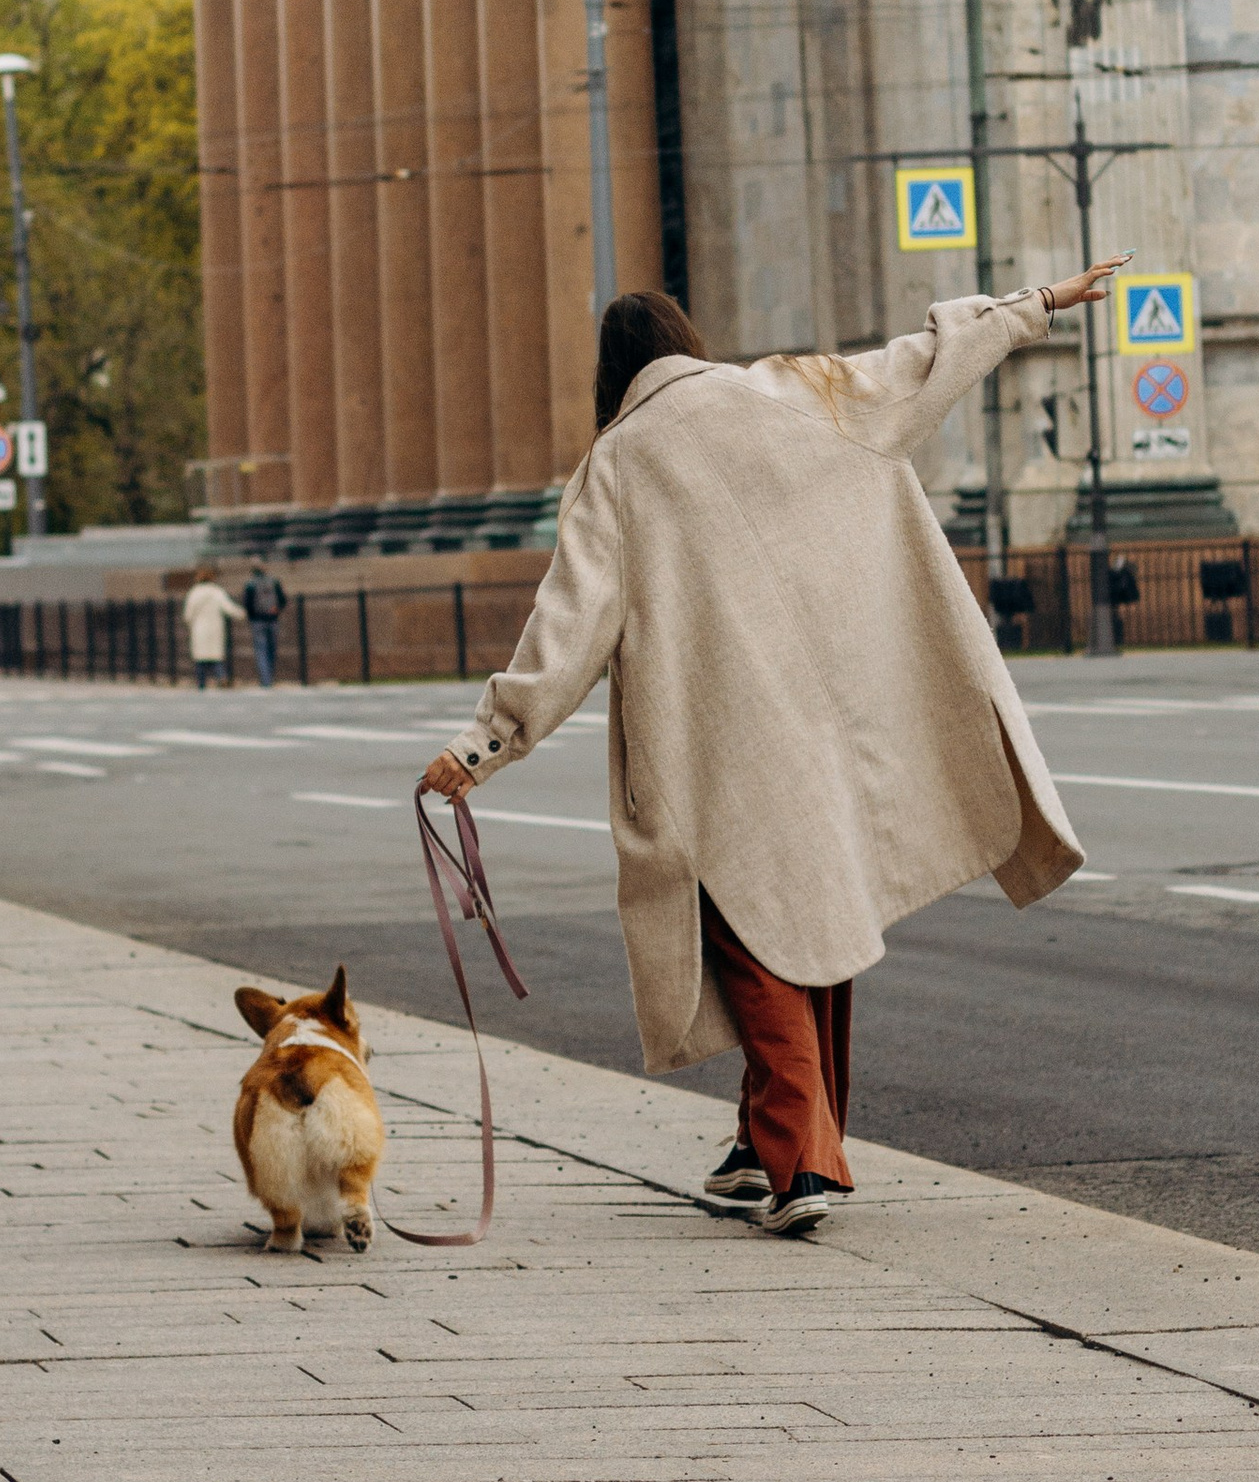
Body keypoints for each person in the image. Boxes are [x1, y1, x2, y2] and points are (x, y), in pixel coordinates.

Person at [420, 261, 1127, 1241]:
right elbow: (920, 364)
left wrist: (483, 744)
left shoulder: (619, 463)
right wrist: (1035, 305)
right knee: (812, 935)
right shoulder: (791, 392)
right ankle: (766, 1145)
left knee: (750, 946)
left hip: (711, 756)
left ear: (612, 375)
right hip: (823, 736)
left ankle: (803, 1164)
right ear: (685, 342)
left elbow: (567, 631)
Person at [183, 568, 243, 690]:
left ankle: (201, 683)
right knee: (216, 657)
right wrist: (242, 613)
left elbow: (188, 614)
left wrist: (190, 624)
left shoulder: (194, 593)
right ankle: (221, 677)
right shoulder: (217, 592)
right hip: (215, 628)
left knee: (200, 658)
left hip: (199, 629)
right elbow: (228, 607)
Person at [241, 561, 288, 690]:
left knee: (261, 650)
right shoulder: (274, 581)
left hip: (257, 620)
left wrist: (252, 616)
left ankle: (265, 680)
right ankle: (270, 678)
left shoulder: (250, 584)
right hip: (273, 619)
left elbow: (247, 603)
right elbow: (283, 600)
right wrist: (276, 610)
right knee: (271, 649)